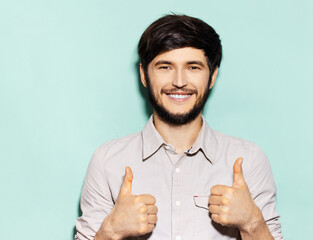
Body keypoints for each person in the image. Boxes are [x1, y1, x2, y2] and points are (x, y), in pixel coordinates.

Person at [75, 14, 283, 240]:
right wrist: (111, 231)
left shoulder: (249, 160)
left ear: (212, 76)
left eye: (193, 67)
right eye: (165, 67)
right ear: (144, 75)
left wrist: (252, 222)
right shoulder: (107, 161)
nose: (180, 81)